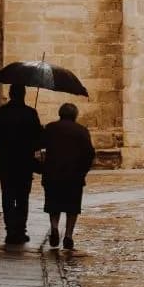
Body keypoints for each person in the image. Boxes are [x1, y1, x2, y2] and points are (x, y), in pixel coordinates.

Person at [0, 83, 43, 247]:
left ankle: (10, 230)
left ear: (10, 94)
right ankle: (21, 230)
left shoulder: (0, 113)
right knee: (23, 197)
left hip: (6, 160)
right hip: (24, 161)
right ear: (23, 94)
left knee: (8, 195)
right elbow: (39, 139)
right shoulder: (30, 114)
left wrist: (1, 145)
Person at [42, 102, 95, 250]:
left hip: (52, 174)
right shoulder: (82, 131)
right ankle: (68, 235)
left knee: (54, 204)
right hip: (74, 175)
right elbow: (90, 153)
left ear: (60, 113)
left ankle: (54, 227)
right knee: (72, 207)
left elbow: (39, 143)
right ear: (75, 115)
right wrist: (83, 170)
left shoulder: (51, 128)